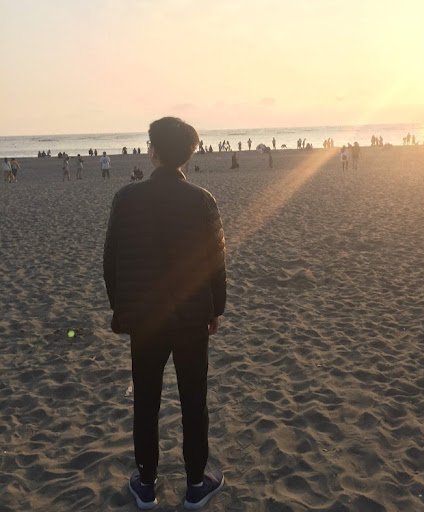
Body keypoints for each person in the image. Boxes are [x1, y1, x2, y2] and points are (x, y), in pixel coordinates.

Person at [103, 116, 226, 511]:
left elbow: (111, 260)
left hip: (145, 319)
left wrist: (121, 309)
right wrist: (216, 309)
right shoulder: (202, 199)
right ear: (188, 155)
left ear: (153, 151)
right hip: (191, 318)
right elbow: (216, 262)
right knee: (194, 401)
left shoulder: (126, 198)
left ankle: (146, 484)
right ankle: (195, 485)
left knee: (146, 401)